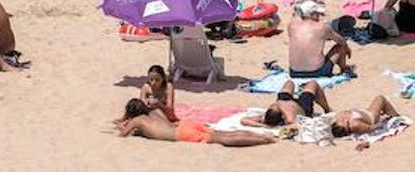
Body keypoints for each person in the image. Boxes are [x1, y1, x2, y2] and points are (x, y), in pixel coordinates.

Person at [115, 99, 273, 146]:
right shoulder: (154, 112)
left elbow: (123, 134)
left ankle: (263, 140)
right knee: (224, 133)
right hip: (186, 125)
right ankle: (263, 135)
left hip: (182, 133)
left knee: (223, 139)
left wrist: (123, 123)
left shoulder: (137, 121)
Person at [287, 0, 352, 77]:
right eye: (317, 13)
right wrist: (347, 48)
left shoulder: (291, 26)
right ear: (312, 14)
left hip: (294, 72)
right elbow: (341, 41)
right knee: (341, 47)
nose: (319, 16)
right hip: (316, 72)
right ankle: (344, 69)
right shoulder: (322, 27)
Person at [248, 80, 331, 128]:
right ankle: (327, 109)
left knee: (289, 83)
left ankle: (301, 88)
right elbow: (293, 124)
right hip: (302, 107)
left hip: (284, 100)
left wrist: (264, 126)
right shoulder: (288, 116)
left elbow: (244, 120)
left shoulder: (267, 116)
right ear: (282, 115)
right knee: (313, 84)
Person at [330, 96, 400, 138]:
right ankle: (396, 116)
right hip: (371, 116)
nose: (343, 120)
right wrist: (382, 121)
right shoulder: (355, 125)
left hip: (364, 112)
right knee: (380, 98)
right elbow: (372, 128)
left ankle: (389, 112)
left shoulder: (338, 118)